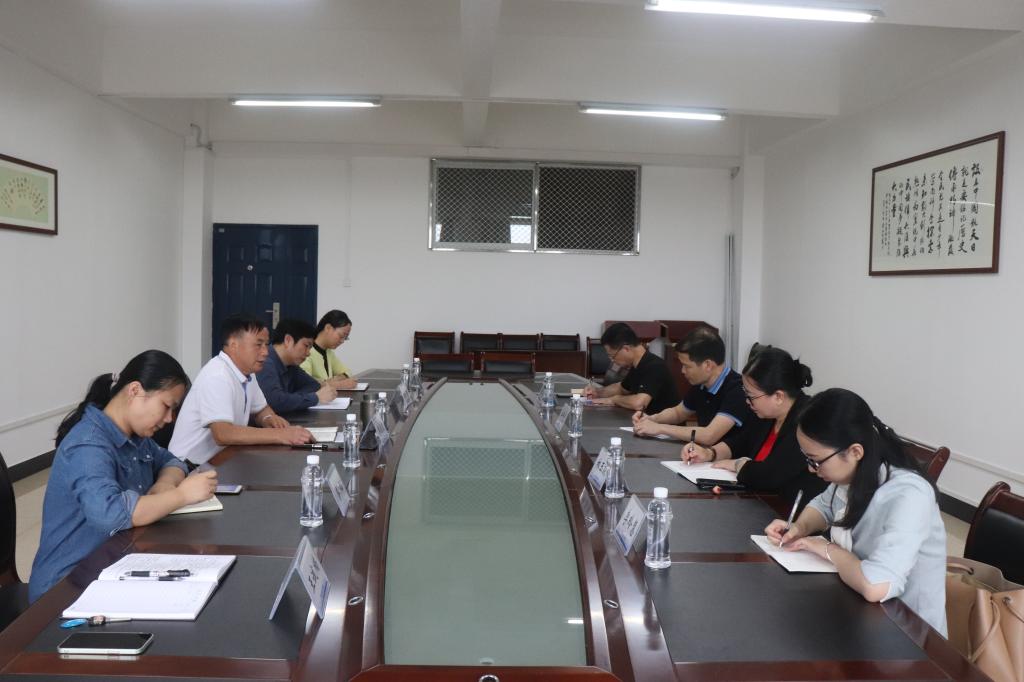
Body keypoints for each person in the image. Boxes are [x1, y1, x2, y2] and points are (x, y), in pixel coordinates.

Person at [29, 351, 219, 601]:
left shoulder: (136, 436)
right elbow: (111, 514)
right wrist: (181, 495)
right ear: (135, 391)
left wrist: (164, 484)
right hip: (68, 586)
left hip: (115, 563)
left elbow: (171, 461)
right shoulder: (88, 445)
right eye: (166, 406)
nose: (169, 419)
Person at [765, 388, 947, 636]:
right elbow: (823, 506)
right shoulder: (858, 471)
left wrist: (826, 549)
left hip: (908, 631)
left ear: (855, 452)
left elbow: (875, 585)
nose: (811, 469)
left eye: (816, 461)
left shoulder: (910, 495)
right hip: (859, 611)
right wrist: (798, 528)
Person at [682, 347, 825, 507]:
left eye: (751, 396)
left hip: (787, 510)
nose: (747, 401)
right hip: (758, 501)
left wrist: (737, 464)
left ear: (778, 396)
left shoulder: (807, 423)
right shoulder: (766, 414)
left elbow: (769, 475)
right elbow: (740, 442)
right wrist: (709, 453)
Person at [168, 313, 313, 467]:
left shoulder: (247, 371)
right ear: (233, 345)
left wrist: (269, 418)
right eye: (258, 345)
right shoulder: (217, 376)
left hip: (221, 460)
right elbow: (223, 434)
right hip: (187, 467)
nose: (265, 352)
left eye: (266, 344)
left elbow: (261, 409)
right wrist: (280, 435)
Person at [633, 327, 753, 445]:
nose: (682, 371)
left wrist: (660, 428)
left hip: (729, 456)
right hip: (704, 453)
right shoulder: (702, 384)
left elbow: (709, 435)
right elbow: (678, 413)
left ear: (707, 365)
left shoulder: (738, 390)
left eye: (687, 366)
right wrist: (651, 419)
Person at [583, 323, 680, 414]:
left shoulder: (655, 366)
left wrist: (614, 399)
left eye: (613, 356)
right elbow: (621, 388)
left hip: (663, 425)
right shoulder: (637, 365)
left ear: (626, 349)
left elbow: (639, 403)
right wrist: (597, 392)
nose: (613, 361)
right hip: (645, 422)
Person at [256, 318, 336, 414]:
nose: (308, 353)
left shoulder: (291, 364)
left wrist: (288, 398)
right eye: (306, 346)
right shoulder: (265, 362)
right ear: (288, 340)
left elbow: (313, 385)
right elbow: (275, 402)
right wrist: (315, 398)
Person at [300, 309, 359, 390]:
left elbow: (347, 372)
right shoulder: (306, 351)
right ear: (328, 328)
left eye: (345, 338)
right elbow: (305, 383)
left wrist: (334, 380)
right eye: (341, 336)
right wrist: (338, 384)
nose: (342, 341)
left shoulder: (328, 352)